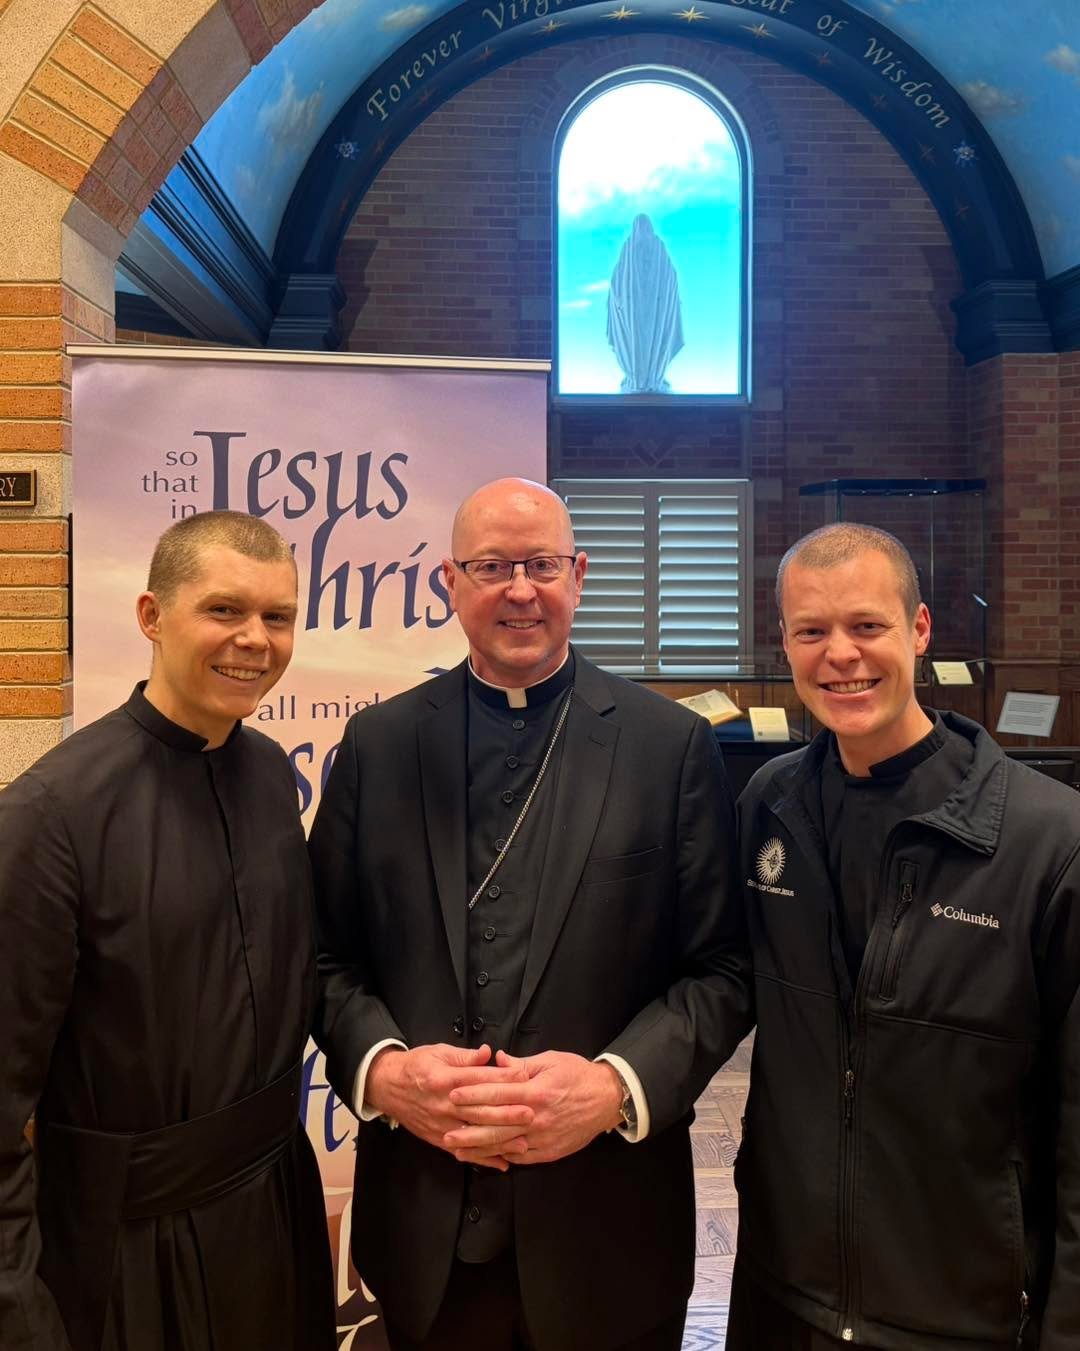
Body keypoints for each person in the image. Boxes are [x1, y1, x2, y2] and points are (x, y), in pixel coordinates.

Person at [309, 477, 750, 1351]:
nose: (520, 589)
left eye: (542, 565)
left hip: (610, 1233)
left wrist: (612, 1087)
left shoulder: (669, 746)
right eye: (492, 566)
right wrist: (386, 1073)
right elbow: (321, 956)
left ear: (578, 576)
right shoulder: (379, 745)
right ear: (449, 582)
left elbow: (724, 968)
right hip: (427, 1230)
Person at [729, 522, 1080, 1350]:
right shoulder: (767, 804)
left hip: (962, 1313)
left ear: (919, 629)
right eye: (812, 631)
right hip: (783, 1293)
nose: (839, 655)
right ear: (785, 643)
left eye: (866, 625)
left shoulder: (1049, 840)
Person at [0, 511, 335, 1351]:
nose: (255, 639)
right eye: (224, 609)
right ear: (152, 615)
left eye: (278, 616)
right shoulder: (50, 815)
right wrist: (20, 1317)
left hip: (276, 1212)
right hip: (129, 1254)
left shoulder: (269, 773)